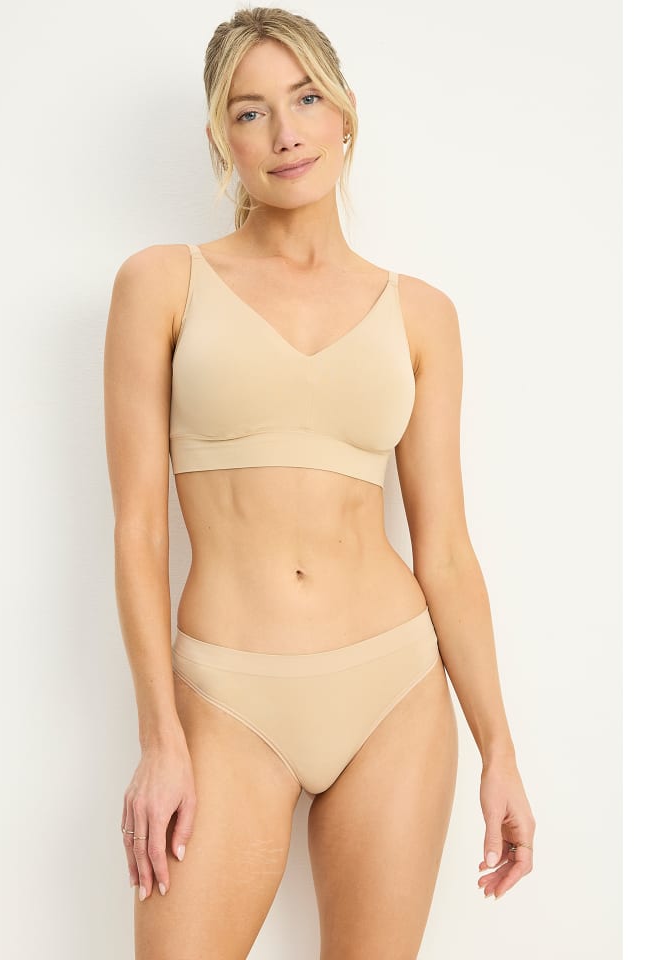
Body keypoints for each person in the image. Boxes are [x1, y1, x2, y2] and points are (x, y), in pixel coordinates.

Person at [103, 6, 536, 958]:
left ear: (344, 112)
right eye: (250, 111)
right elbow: (138, 529)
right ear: (221, 138)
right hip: (226, 695)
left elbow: (446, 549)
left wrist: (499, 747)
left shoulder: (422, 314)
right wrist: (160, 739)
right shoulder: (162, 283)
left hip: (394, 687)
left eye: (305, 99)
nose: (285, 132)